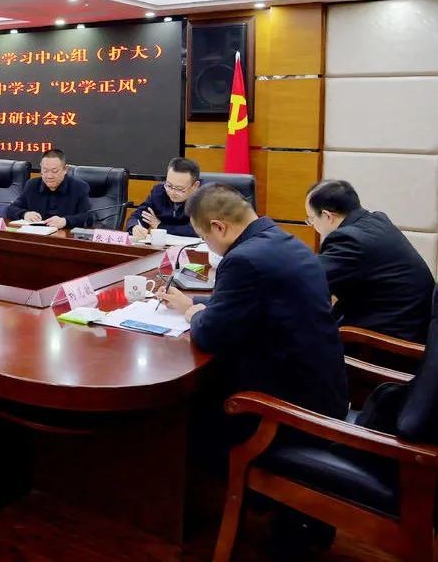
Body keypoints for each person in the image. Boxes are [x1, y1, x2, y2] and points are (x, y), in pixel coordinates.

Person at [156, 184, 348, 419]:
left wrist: (194, 314)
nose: (207, 244)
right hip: (322, 391)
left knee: (186, 402)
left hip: (290, 408)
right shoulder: (284, 240)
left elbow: (210, 335)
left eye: (204, 237)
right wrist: (192, 302)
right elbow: (251, 301)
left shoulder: (243, 259)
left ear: (219, 227)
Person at [306, 179, 435, 343]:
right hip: (413, 328)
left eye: (311, 219)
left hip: (389, 343)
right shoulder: (376, 221)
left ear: (327, 216)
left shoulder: (349, 239)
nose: (312, 225)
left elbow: (308, 280)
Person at [5, 148, 91, 229]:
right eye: (45, 170)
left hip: (65, 236)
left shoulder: (79, 187)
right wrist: (25, 214)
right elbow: (11, 209)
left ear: (65, 169)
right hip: (37, 235)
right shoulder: (32, 185)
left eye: (54, 171)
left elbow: (87, 217)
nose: (49, 176)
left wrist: (65, 221)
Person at [127, 157, 201, 239]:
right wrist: (135, 226)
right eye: (169, 185)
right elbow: (140, 215)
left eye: (179, 189)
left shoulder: (203, 198)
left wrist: (160, 226)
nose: (172, 192)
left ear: (195, 186)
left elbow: (197, 230)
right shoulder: (159, 191)